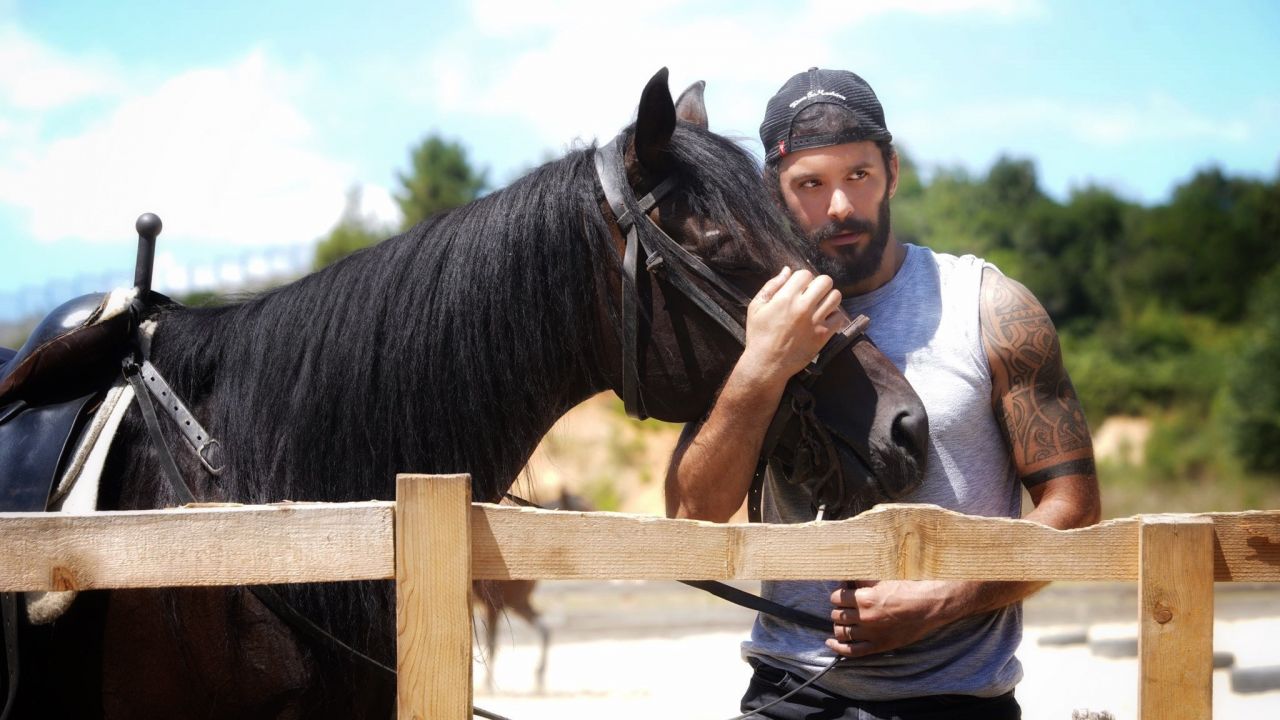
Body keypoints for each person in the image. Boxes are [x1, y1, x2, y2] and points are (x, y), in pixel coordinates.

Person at [664, 67, 1101, 719]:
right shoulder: (751, 318)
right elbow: (689, 519)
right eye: (810, 183)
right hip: (791, 695)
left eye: (858, 175)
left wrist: (946, 598)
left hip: (959, 701)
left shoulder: (989, 308)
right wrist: (760, 366)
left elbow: (1074, 511)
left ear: (892, 172)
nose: (839, 206)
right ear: (773, 192)